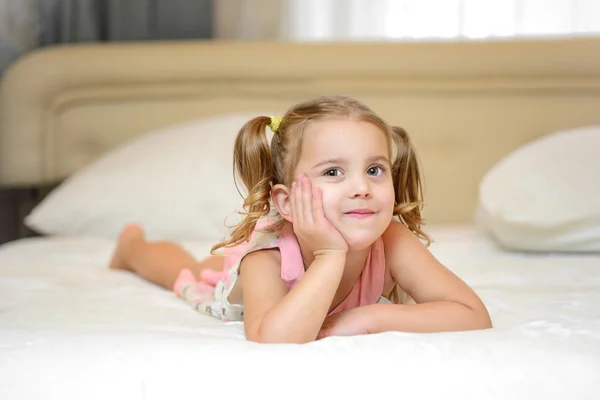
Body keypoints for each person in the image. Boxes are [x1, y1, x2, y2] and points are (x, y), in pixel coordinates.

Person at [109, 95, 492, 344]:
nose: (361, 187)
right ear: (287, 201)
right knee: (192, 271)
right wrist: (328, 256)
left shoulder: (391, 240)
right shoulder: (266, 258)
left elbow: (473, 314)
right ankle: (132, 247)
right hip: (257, 268)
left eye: (375, 170)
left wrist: (371, 317)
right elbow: (272, 340)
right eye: (333, 173)